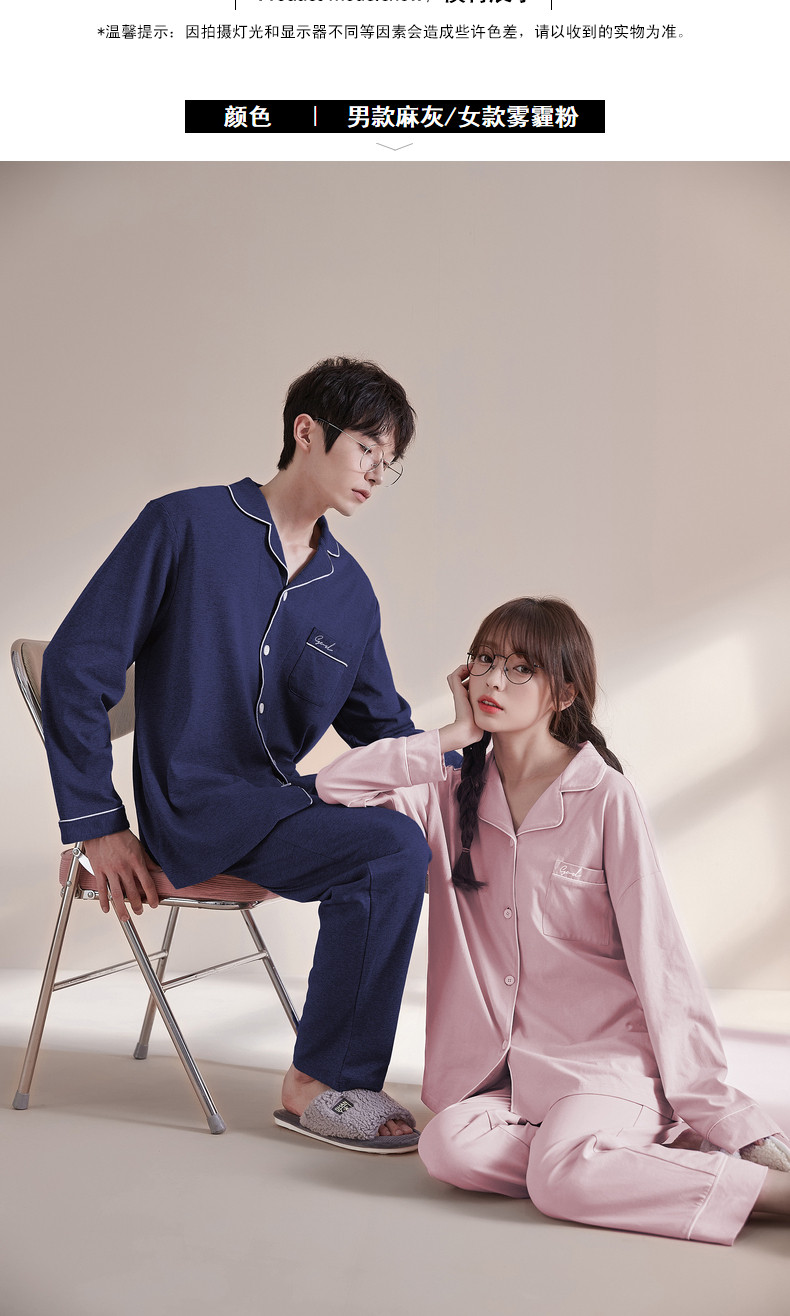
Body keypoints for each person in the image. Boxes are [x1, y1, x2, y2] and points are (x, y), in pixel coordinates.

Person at [41, 356, 435, 1151]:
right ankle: (320, 1084)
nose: (375, 473)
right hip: (194, 810)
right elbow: (74, 667)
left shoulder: (349, 592)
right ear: (306, 431)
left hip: (277, 808)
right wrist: (97, 824)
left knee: (417, 832)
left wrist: (510, 756)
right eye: (367, 448)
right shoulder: (184, 525)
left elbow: (384, 729)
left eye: (387, 462)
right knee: (391, 848)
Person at [316, 596, 790, 1240]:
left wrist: (719, 1111)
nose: (493, 681)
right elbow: (337, 786)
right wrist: (453, 736)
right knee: (448, 1147)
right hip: (511, 1079)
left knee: (560, 1178)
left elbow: (661, 957)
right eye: (485, 661)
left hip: (605, 1064)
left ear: (564, 694)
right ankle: (625, 1160)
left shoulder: (605, 797)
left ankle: (769, 1194)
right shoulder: (447, 796)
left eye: (520, 669)